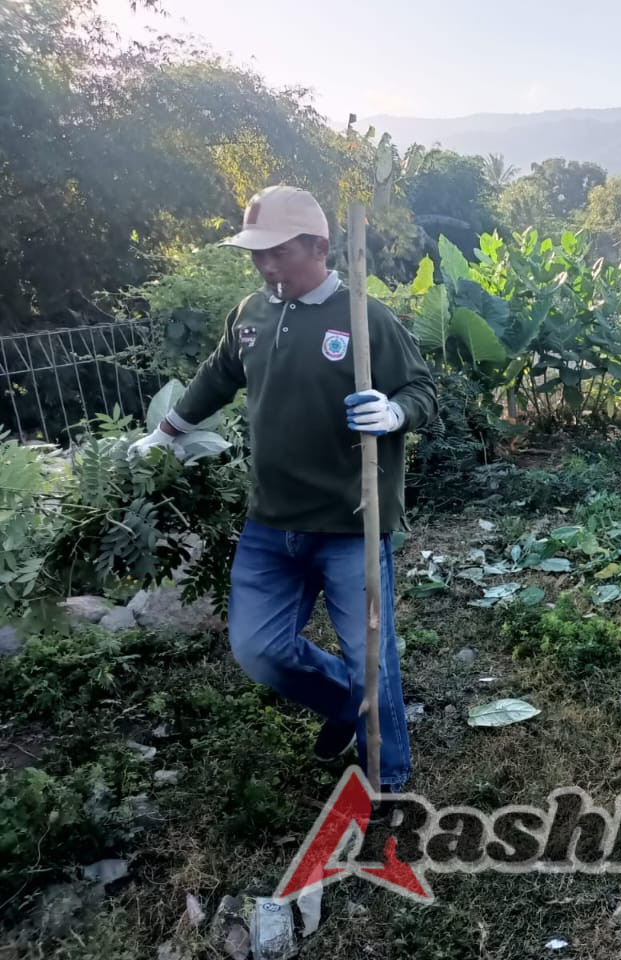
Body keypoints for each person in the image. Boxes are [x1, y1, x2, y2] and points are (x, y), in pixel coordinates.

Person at [128, 185, 438, 794]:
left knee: (370, 658)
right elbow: (217, 377)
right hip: (271, 522)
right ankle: (343, 703)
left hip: (351, 522)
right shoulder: (250, 313)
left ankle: (388, 779)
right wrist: (166, 433)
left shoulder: (364, 317)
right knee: (259, 650)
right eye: (257, 253)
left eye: (279, 252)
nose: (267, 266)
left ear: (320, 247)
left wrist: (395, 412)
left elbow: (421, 389)